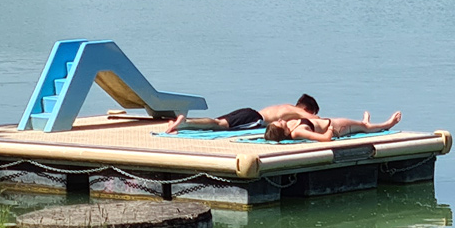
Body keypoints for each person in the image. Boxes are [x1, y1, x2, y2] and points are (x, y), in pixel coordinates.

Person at [162, 94, 320, 134]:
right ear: (306, 108)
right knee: (219, 125)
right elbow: (316, 119)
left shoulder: (286, 107)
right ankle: (184, 124)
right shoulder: (297, 111)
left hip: (250, 113)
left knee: (218, 122)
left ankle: (185, 122)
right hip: (254, 119)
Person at [263, 110, 402, 143]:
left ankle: (364, 122)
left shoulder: (291, 125)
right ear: (283, 131)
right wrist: (331, 128)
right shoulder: (298, 132)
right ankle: (388, 124)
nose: (281, 120)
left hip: (329, 121)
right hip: (336, 128)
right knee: (364, 127)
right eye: (280, 123)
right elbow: (324, 139)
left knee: (361, 126)